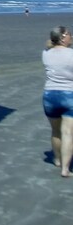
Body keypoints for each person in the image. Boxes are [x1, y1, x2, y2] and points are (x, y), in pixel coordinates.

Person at [42, 26, 73, 177]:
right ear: (62, 37)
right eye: (69, 34)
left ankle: (57, 159)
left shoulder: (46, 54)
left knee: (55, 131)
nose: (71, 36)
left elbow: (49, 45)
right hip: (69, 95)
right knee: (68, 133)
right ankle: (65, 169)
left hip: (50, 95)